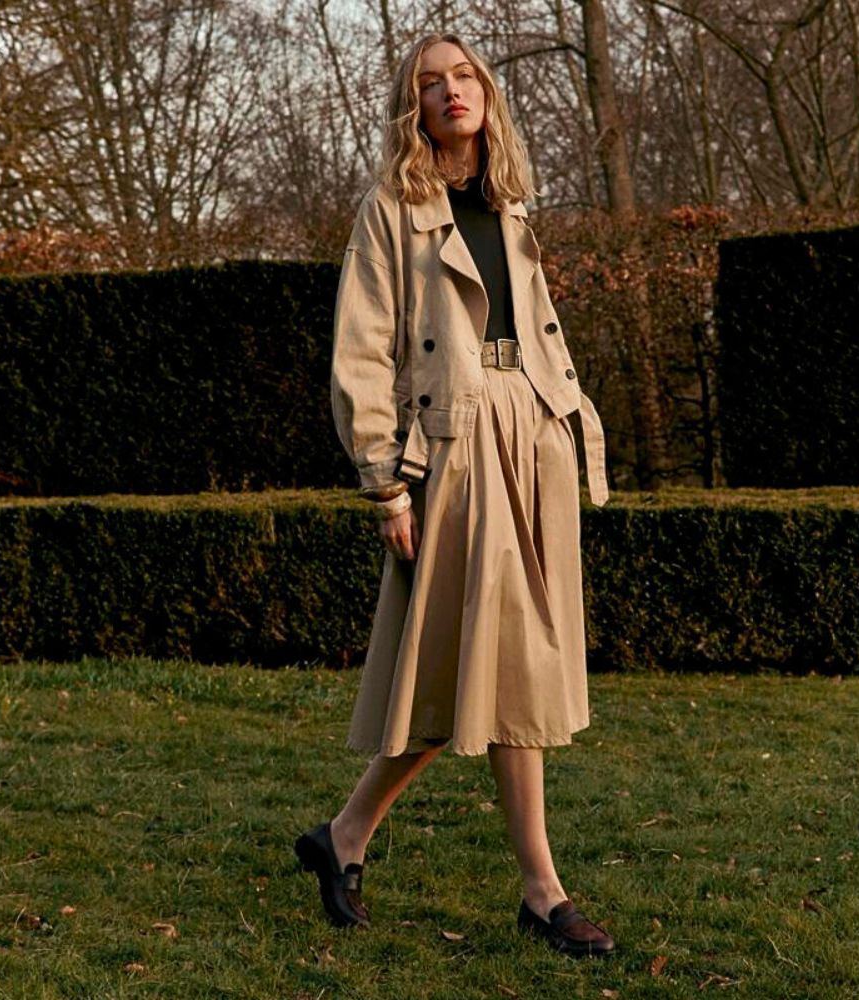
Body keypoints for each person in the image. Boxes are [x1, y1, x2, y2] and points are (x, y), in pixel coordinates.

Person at [294, 31, 614, 959]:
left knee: (494, 665)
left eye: (462, 75)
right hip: (455, 443)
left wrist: (566, 422)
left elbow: (537, 325)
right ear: (414, 105)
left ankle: (345, 837)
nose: (449, 92)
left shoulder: (512, 203)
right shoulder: (394, 207)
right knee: (488, 659)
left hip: (532, 431)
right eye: (428, 83)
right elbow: (360, 350)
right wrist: (387, 482)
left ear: (484, 91)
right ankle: (542, 888)